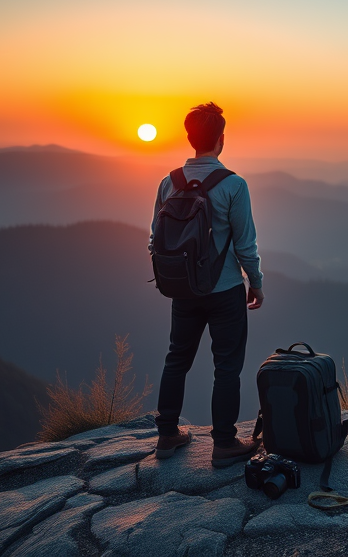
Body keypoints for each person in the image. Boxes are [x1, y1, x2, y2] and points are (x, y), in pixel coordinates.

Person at [149, 102, 265, 466]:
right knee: (227, 366)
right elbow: (245, 244)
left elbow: (156, 238)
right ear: (221, 140)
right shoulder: (233, 184)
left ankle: (167, 435)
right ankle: (224, 443)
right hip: (225, 289)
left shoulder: (170, 181)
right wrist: (256, 283)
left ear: (189, 138)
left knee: (176, 358)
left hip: (183, 289)